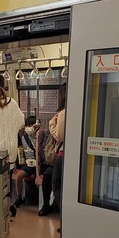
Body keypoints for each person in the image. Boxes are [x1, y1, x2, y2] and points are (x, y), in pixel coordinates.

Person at [0, 73, 25, 210]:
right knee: (7, 179)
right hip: (11, 148)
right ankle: (7, 206)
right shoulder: (13, 103)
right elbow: (21, 122)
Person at [49, 84, 67, 222]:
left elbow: (59, 136)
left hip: (62, 154)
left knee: (57, 186)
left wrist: (52, 124)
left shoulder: (63, 113)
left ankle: (65, 220)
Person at [13, 116, 38, 206]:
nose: (29, 128)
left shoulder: (40, 137)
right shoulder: (23, 138)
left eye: (31, 125)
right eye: (27, 125)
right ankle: (19, 197)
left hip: (39, 164)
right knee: (19, 176)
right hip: (28, 164)